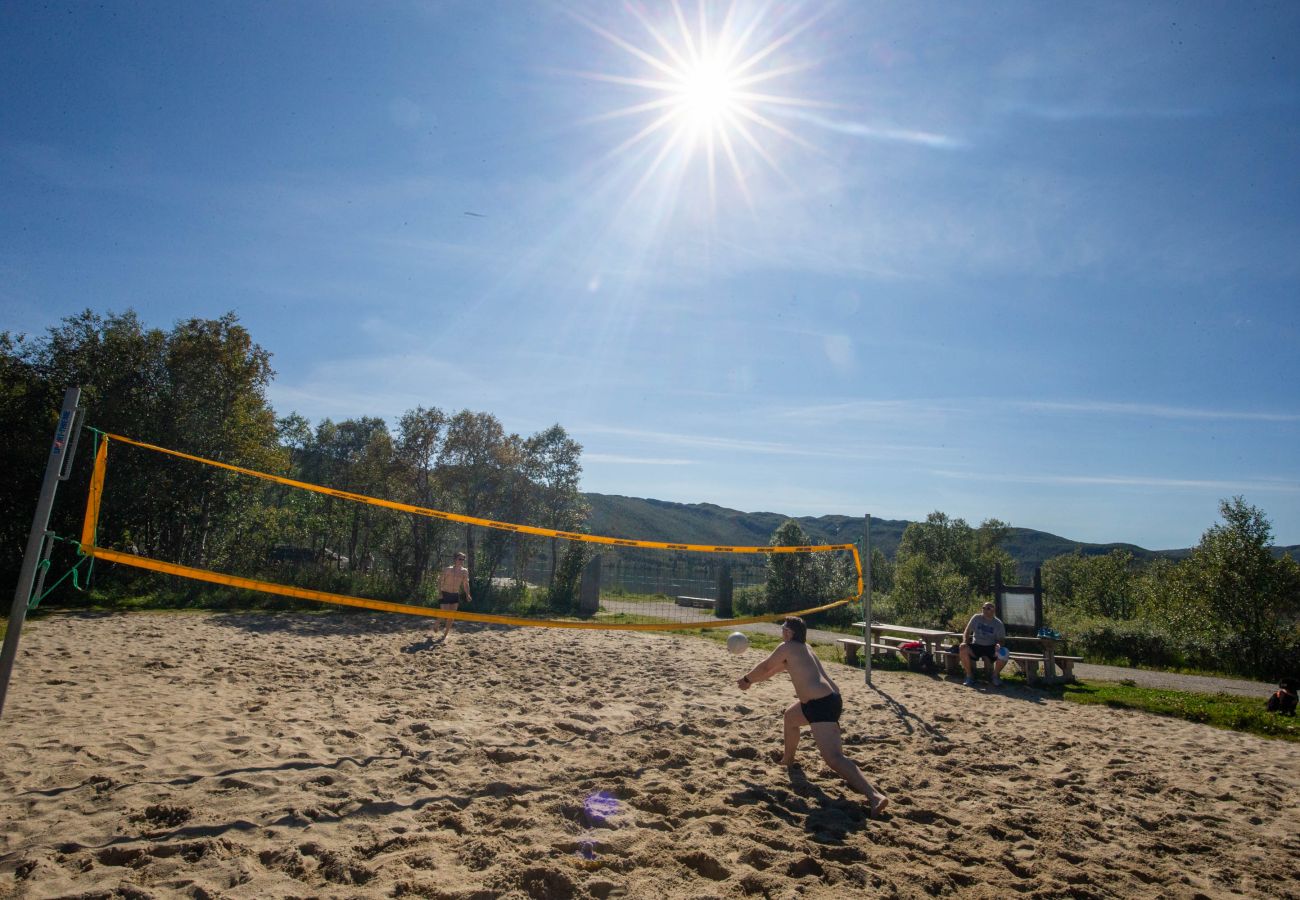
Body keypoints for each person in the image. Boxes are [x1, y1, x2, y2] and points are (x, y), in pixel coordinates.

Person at [737, 616, 889, 817]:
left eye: (783, 629)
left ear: (789, 633)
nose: (781, 632)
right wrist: (750, 682)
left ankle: (874, 796)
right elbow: (771, 672)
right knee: (790, 718)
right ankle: (788, 760)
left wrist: (747, 678)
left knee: (834, 758)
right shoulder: (804, 648)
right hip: (824, 700)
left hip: (822, 704)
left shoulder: (788, 647)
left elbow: (765, 667)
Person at [960, 601, 1007, 687]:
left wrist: (999, 645)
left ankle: (995, 676)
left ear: (993, 611)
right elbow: (967, 631)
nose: (985, 610)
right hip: (976, 645)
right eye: (983, 608)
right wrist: (965, 641)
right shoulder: (976, 618)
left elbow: (1001, 640)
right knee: (962, 648)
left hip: (991, 647)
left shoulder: (998, 624)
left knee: (1004, 652)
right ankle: (969, 676)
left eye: (988, 608)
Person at [435, 551, 472, 640]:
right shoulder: (448, 569)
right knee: (445, 613)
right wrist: (439, 593)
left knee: (451, 616)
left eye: (463, 559)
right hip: (445, 593)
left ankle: (445, 634)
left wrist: (468, 594)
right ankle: (437, 623)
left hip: (455, 594)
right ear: (455, 559)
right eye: (460, 559)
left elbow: (466, 584)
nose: (462, 561)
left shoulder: (464, 571)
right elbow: (440, 581)